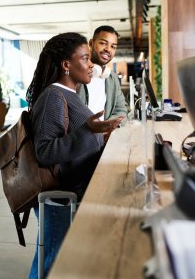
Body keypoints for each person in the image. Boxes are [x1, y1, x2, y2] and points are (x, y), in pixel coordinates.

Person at [26, 32, 125, 278]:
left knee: (57, 262)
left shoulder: (69, 93)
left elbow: (75, 138)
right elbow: (46, 151)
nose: (92, 64)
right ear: (66, 65)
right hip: (59, 200)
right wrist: (89, 131)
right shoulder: (53, 96)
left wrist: (99, 136)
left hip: (72, 197)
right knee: (50, 264)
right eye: (85, 58)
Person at [77, 25, 127, 120]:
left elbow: (121, 109)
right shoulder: (76, 73)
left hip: (102, 134)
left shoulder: (112, 78)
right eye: (103, 43)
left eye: (113, 46)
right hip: (79, 134)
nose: (108, 49)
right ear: (91, 43)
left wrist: (107, 127)